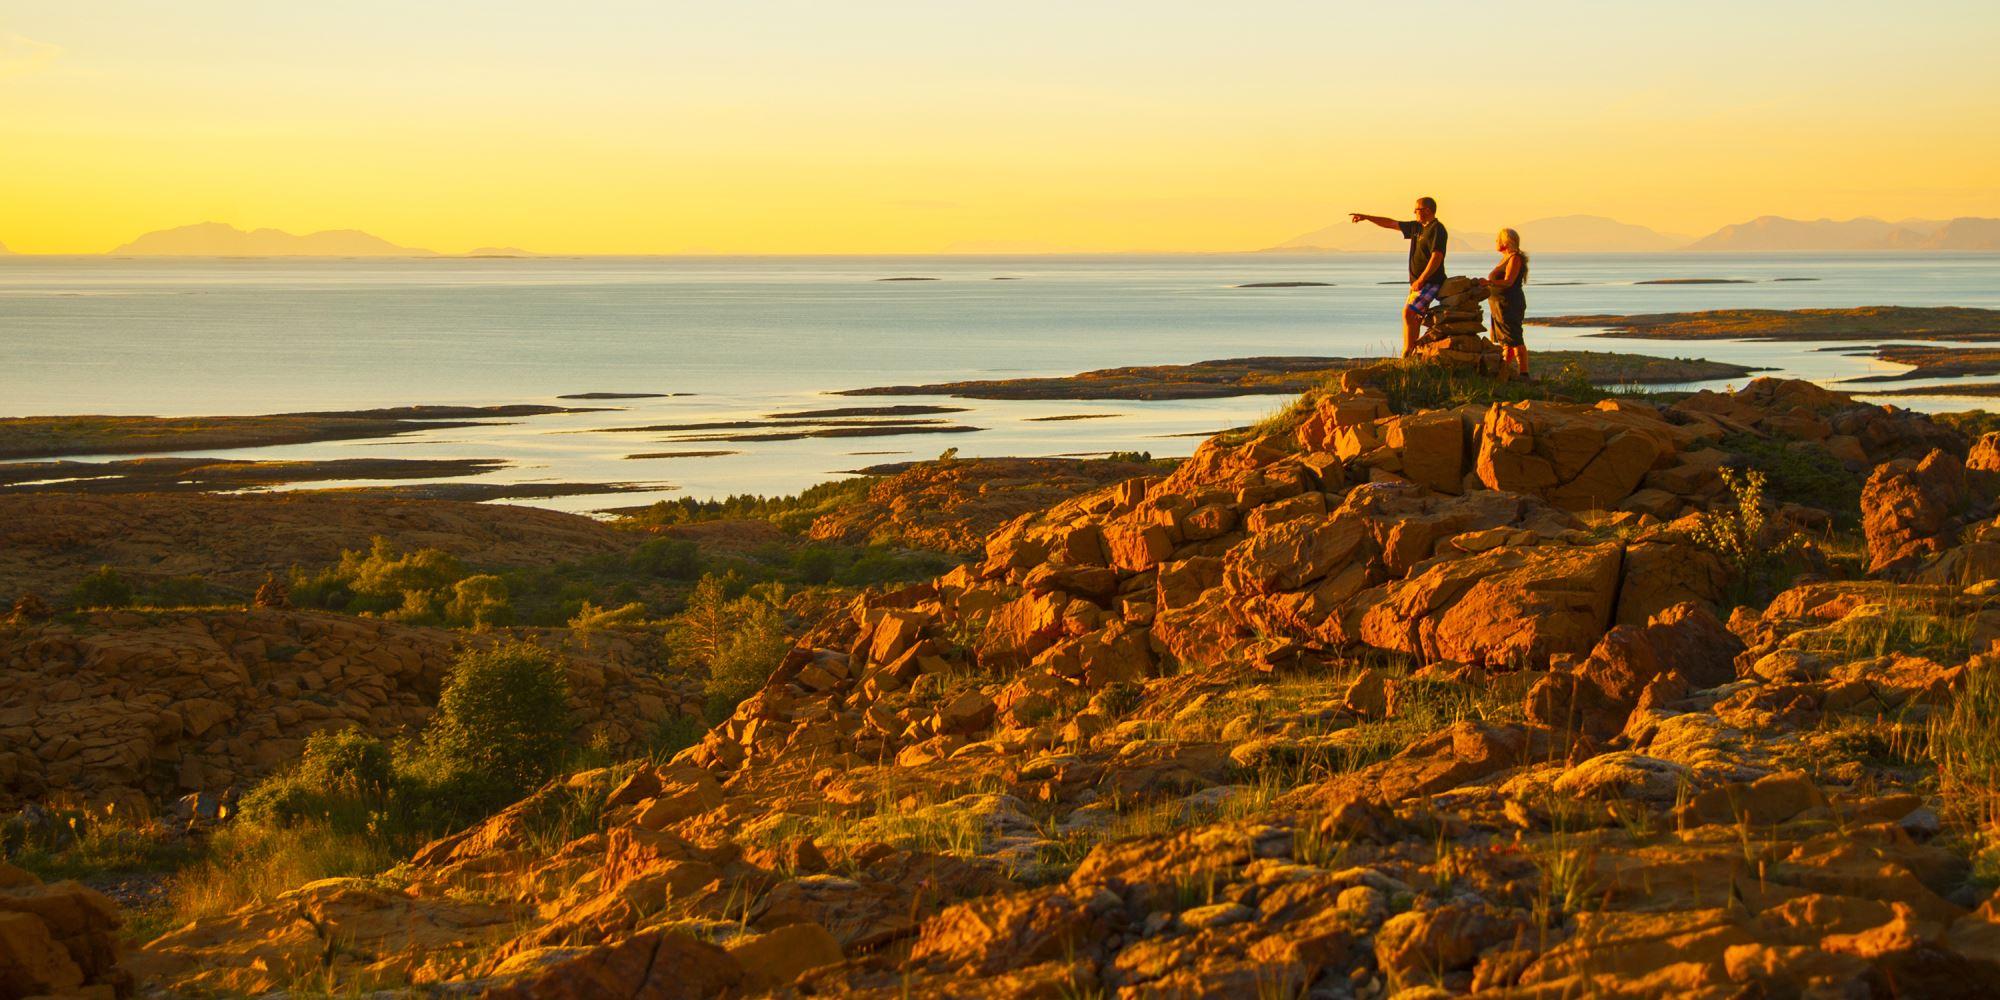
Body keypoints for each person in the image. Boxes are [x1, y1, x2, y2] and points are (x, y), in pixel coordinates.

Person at [1350, 197, 1447, 356]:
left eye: (1416, 209)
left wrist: (1422, 279)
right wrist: (1367, 217)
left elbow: (1437, 256)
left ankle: (1407, 351)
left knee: (1408, 312)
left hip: (1430, 282)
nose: (1414, 212)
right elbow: (1390, 223)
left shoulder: (1437, 229)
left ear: (1427, 210)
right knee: (1413, 317)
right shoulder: (1417, 227)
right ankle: (1413, 352)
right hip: (1417, 283)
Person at [1482, 228, 1529, 378]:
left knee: (1514, 337)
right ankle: (1505, 372)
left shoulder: (1515, 258)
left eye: (1497, 239)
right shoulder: (1505, 258)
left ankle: (1524, 373)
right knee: (1506, 342)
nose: (1495, 242)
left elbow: (1509, 281)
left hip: (1509, 303)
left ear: (1506, 241)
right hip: (1499, 304)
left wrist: (1488, 282)